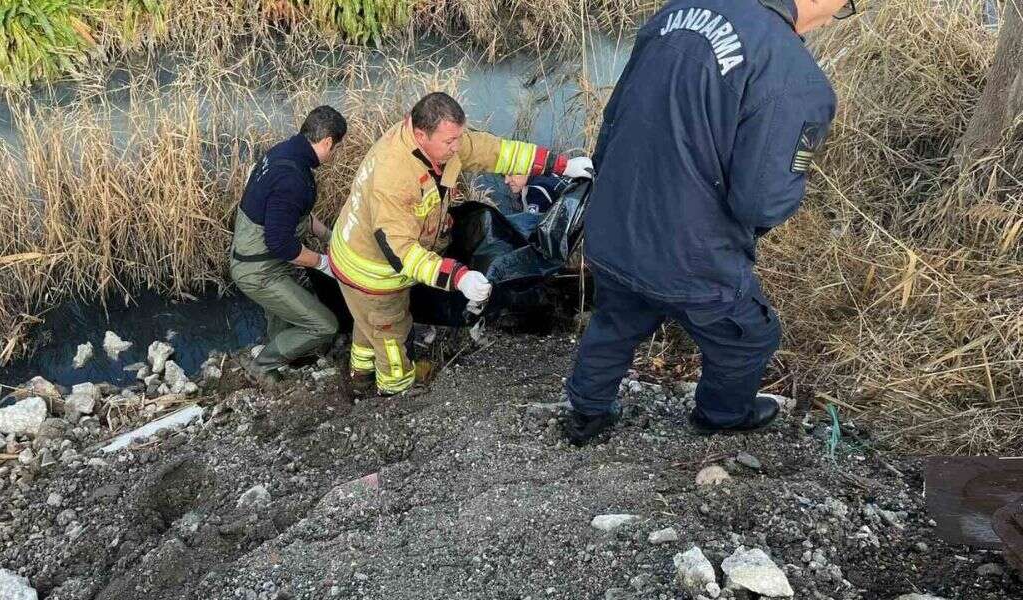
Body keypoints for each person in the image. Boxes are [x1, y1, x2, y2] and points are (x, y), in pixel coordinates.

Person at [563, 0, 858, 444]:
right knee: (750, 336)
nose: (837, 16)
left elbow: (613, 121)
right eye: (846, 7)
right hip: (690, 251)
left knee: (616, 318)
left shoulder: (675, 12)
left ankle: (586, 413)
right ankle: (720, 415)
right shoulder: (795, 75)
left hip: (614, 224)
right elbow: (763, 202)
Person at [329, 92, 594, 396]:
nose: (457, 147)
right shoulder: (394, 177)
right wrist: (459, 276)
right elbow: (401, 254)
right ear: (420, 134)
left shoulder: (438, 144)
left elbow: (498, 152)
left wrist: (560, 165)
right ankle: (396, 391)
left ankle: (360, 374)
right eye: (450, 142)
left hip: (356, 254)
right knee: (391, 330)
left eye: (458, 138)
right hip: (371, 271)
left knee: (367, 322)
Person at [231, 106, 347, 384]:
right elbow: (282, 245)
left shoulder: (284, 153)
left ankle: (283, 349)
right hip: (257, 270)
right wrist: (324, 264)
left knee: (286, 311)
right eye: (336, 147)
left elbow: (298, 216)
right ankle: (262, 366)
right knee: (325, 325)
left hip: (257, 257)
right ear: (328, 141)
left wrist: (332, 238)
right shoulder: (293, 178)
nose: (333, 155)